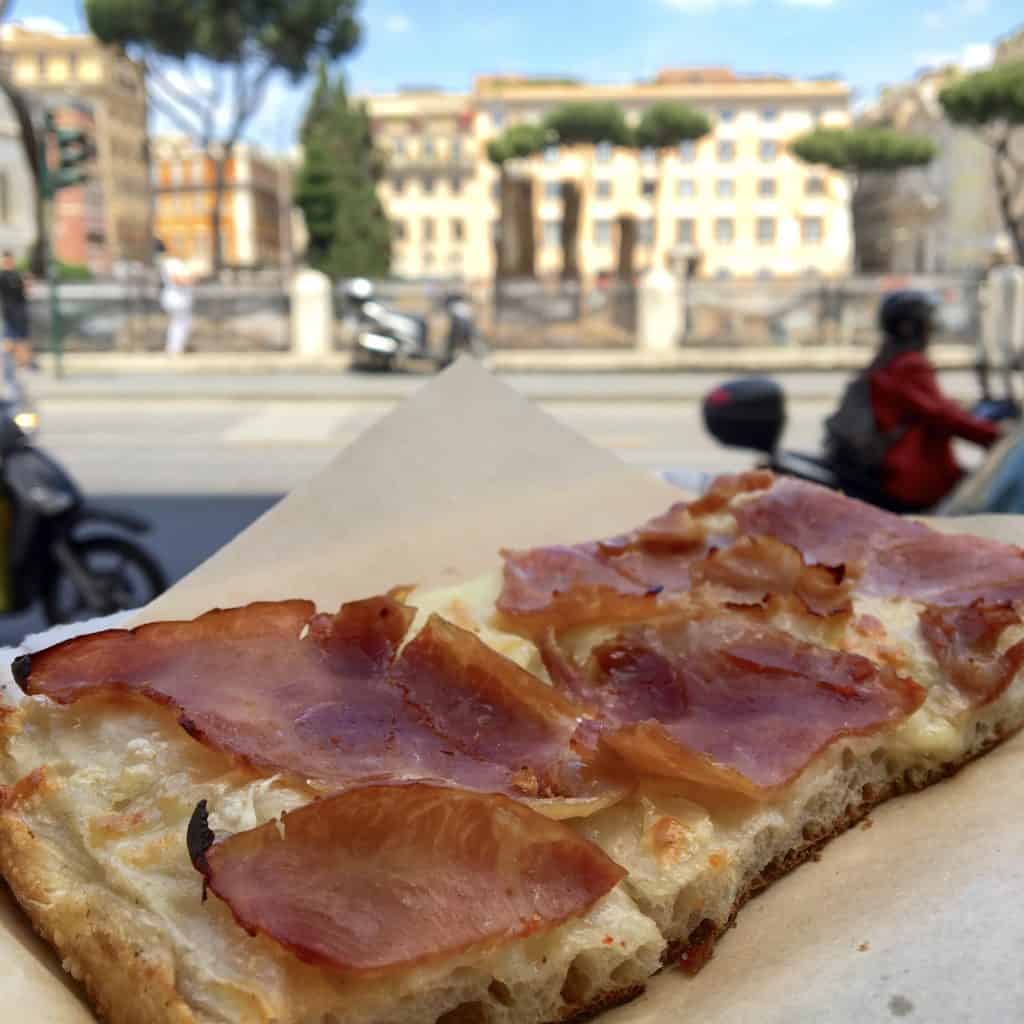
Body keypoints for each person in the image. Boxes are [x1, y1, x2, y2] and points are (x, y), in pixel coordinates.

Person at [834, 290, 1000, 510]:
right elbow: (942, 415)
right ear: (911, 326)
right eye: (927, 322)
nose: (931, 328)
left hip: (891, 469)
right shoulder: (910, 364)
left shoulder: (888, 358)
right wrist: (997, 435)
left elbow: (933, 407)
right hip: (910, 479)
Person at [156, 240, 195, 356]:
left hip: (179, 297)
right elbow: (176, 279)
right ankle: (174, 349)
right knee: (179, 323)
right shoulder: (171, 263)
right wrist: (189, 280)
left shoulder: (175, 262)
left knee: (180, 323)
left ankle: (175, 348)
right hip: (176, 298)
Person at [0, 251, 32, 370]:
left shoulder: (17, 275)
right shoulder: (3, 276)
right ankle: (16, 364)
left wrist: (27, 283)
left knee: (20, 340)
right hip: (9, 313)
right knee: (11, 341)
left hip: (19, 312)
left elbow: (26, 292)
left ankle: (22, 364)